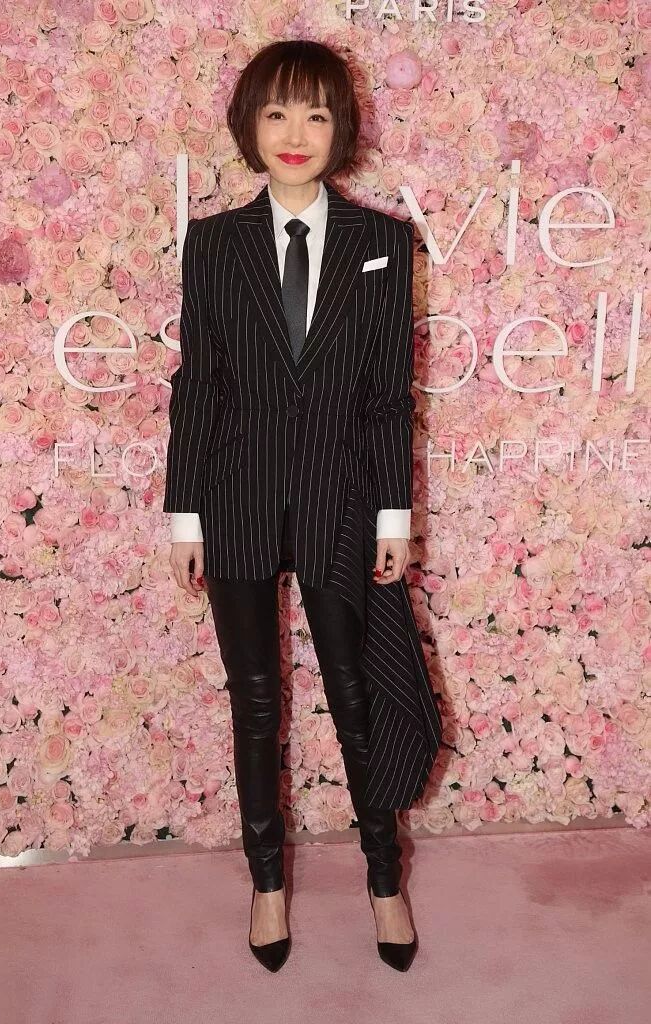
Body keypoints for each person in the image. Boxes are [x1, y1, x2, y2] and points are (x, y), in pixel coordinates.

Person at [164, 39, 442, 973]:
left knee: (355, 698)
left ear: (340, 127)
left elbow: (387, 397)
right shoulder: (213, 242)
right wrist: (184, 515)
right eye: (276, 112)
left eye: (316, 113)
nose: (295, 132)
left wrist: (394, 518)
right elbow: (199, 384)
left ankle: (383, 881)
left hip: (341, 501)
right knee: (254, 703)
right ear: (248, 125)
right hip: (234, 499)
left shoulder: (381, 242)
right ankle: (267, 885)